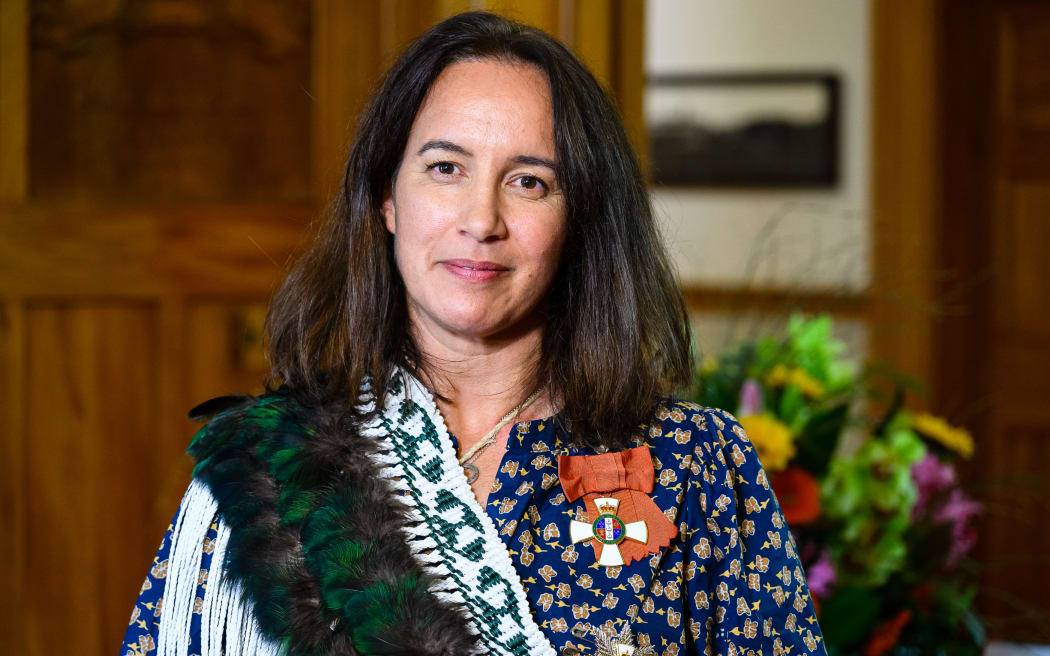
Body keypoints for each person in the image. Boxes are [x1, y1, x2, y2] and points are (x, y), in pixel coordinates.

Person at [121, 12, 826, 656]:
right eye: (446, 168)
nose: (480, 219)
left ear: (579, 219)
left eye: (529, 182)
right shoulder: (269, 469)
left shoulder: (697, 465)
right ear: (387, 198)